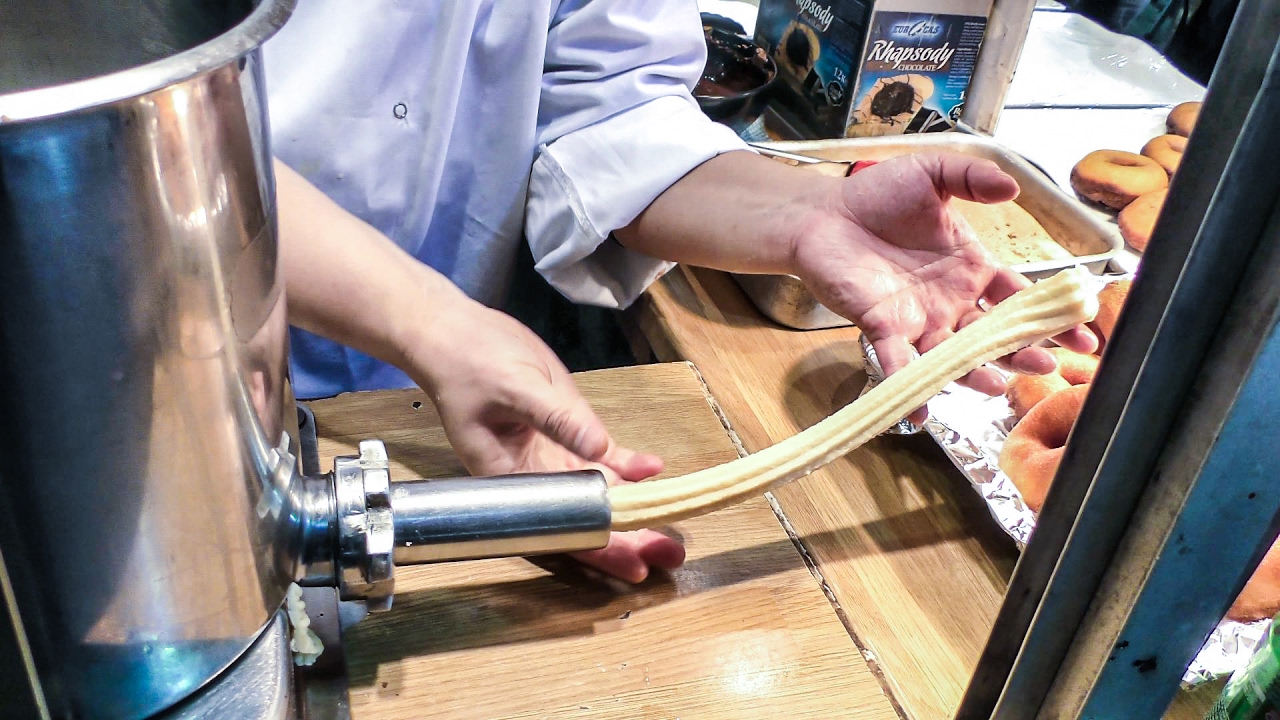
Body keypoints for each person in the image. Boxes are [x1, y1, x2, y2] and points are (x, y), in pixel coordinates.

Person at [267, 2, 1096, 584]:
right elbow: (148, 142)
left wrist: (807, 212)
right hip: (188, 384)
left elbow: (607, 100)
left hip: (456, 404)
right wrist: (426, 322)